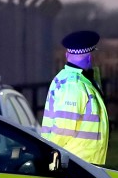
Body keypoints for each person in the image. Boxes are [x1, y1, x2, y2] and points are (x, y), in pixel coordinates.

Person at [40, 30, 110, 165]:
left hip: (75, 160)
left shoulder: (71, 79)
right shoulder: (75, 85)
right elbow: (64, 128)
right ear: (90, 57)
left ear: (67, 55)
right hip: (76, 163)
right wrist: (49, 158)